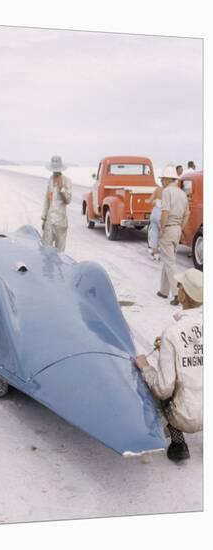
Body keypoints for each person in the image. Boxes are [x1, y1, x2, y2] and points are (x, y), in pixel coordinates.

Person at [135, 268, 203, 462]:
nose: (178, 289)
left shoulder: (172, 333)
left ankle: (178, 442)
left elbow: (163, 389)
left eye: (179, 286)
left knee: (154, 382)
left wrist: (145, 366)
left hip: (186, 417)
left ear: (183, 295)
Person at [156, 164, 189, 305]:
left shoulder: (167, 192)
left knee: (169, 262)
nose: (161, 182)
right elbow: (188, 213)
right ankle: (164, 291)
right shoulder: (182, 193)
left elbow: (165, 212)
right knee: (168, 259)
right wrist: (180, 227)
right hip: (177, 229)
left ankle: (177, 294)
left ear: (168, 179)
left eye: (162, 179)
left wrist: (162, 228)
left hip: (168, 228)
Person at [41, 155, 72, 251]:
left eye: (57, 169)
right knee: (46, 251)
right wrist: (44, 218)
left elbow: (68, 200)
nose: (55, 172)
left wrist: (61, 187)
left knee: (60, 253)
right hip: (49, 222)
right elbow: (47, 200)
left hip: (60, 223)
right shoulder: (50, 180)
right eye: (54, 169)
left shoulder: (67, 181)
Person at [146, 184, 163, 260]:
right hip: (164, 213)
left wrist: (154, 202)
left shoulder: (158, 189)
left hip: (155, 212)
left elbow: (149, 201)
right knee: (163, 233)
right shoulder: (170, 190)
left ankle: (155, 253)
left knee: (154, 232)